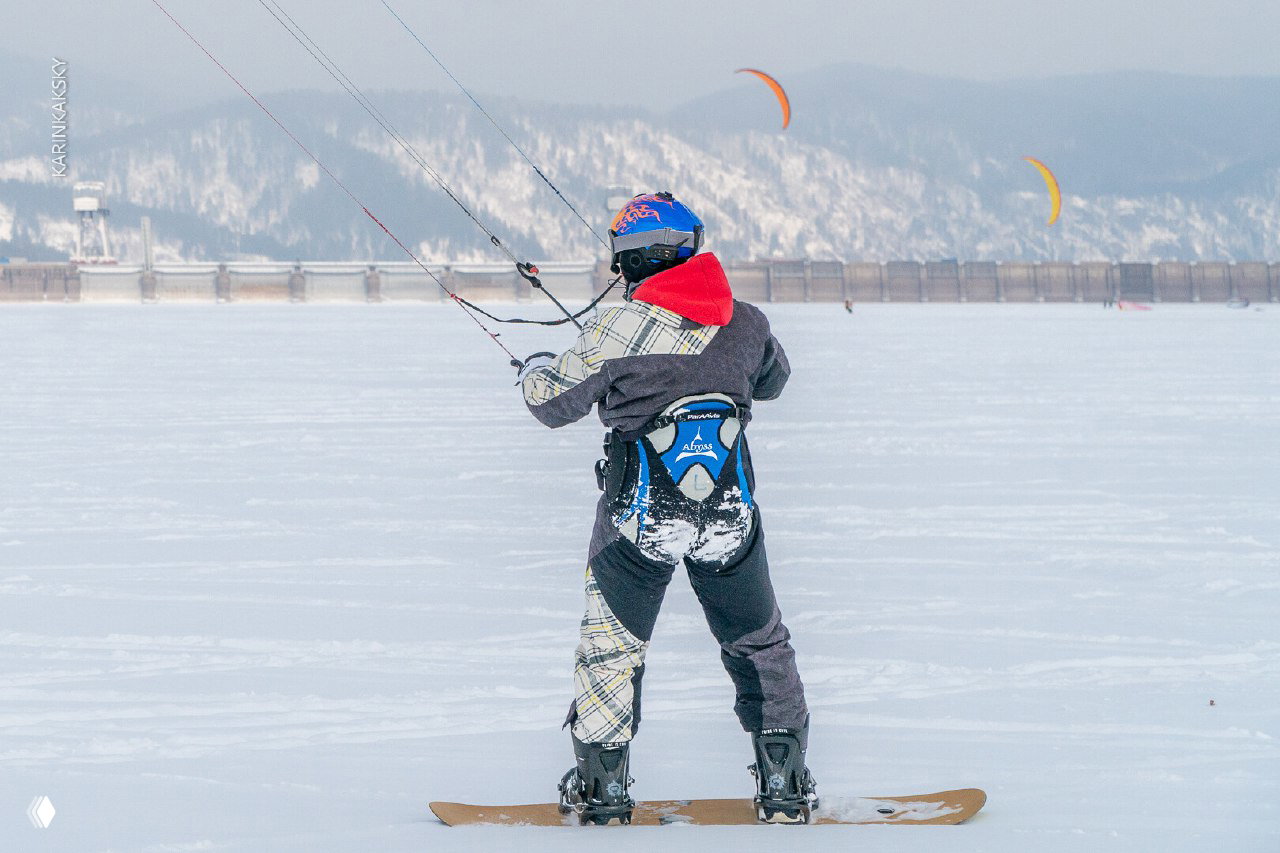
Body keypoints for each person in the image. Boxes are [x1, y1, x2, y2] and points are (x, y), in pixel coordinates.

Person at [517, 192, 815, 825]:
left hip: (638, 518)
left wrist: (536, 366)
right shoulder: (746, 319)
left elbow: (548, 402)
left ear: (628, 260)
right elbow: (774, 378)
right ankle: (785, 780)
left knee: (612, 647)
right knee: (759, 641)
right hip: (730, 515)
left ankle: (603, 790)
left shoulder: (614, 329)